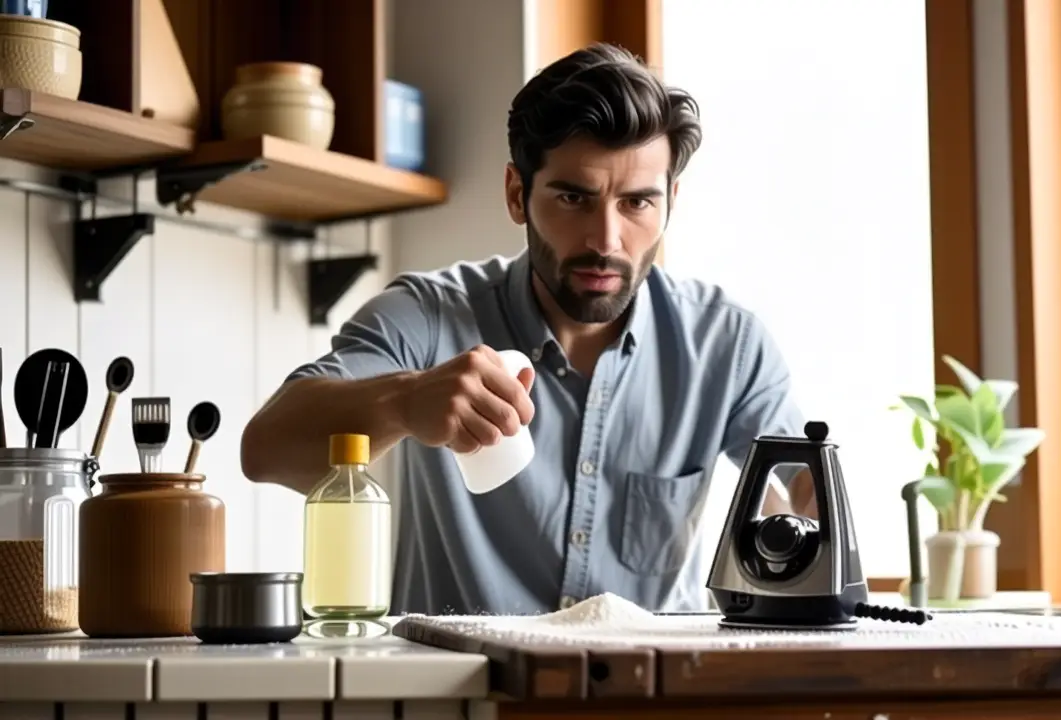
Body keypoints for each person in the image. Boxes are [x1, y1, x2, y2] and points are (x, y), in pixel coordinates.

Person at [240, 43, 816, 616]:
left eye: (638, 203)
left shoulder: (729, 346)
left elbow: (809, 497)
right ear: (518, 194)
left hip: (652, 698)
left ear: (670, 202)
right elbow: (265, 450)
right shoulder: (428, 314)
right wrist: (406, 400)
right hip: (462, 699)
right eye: (574, 198)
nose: (606, 241)